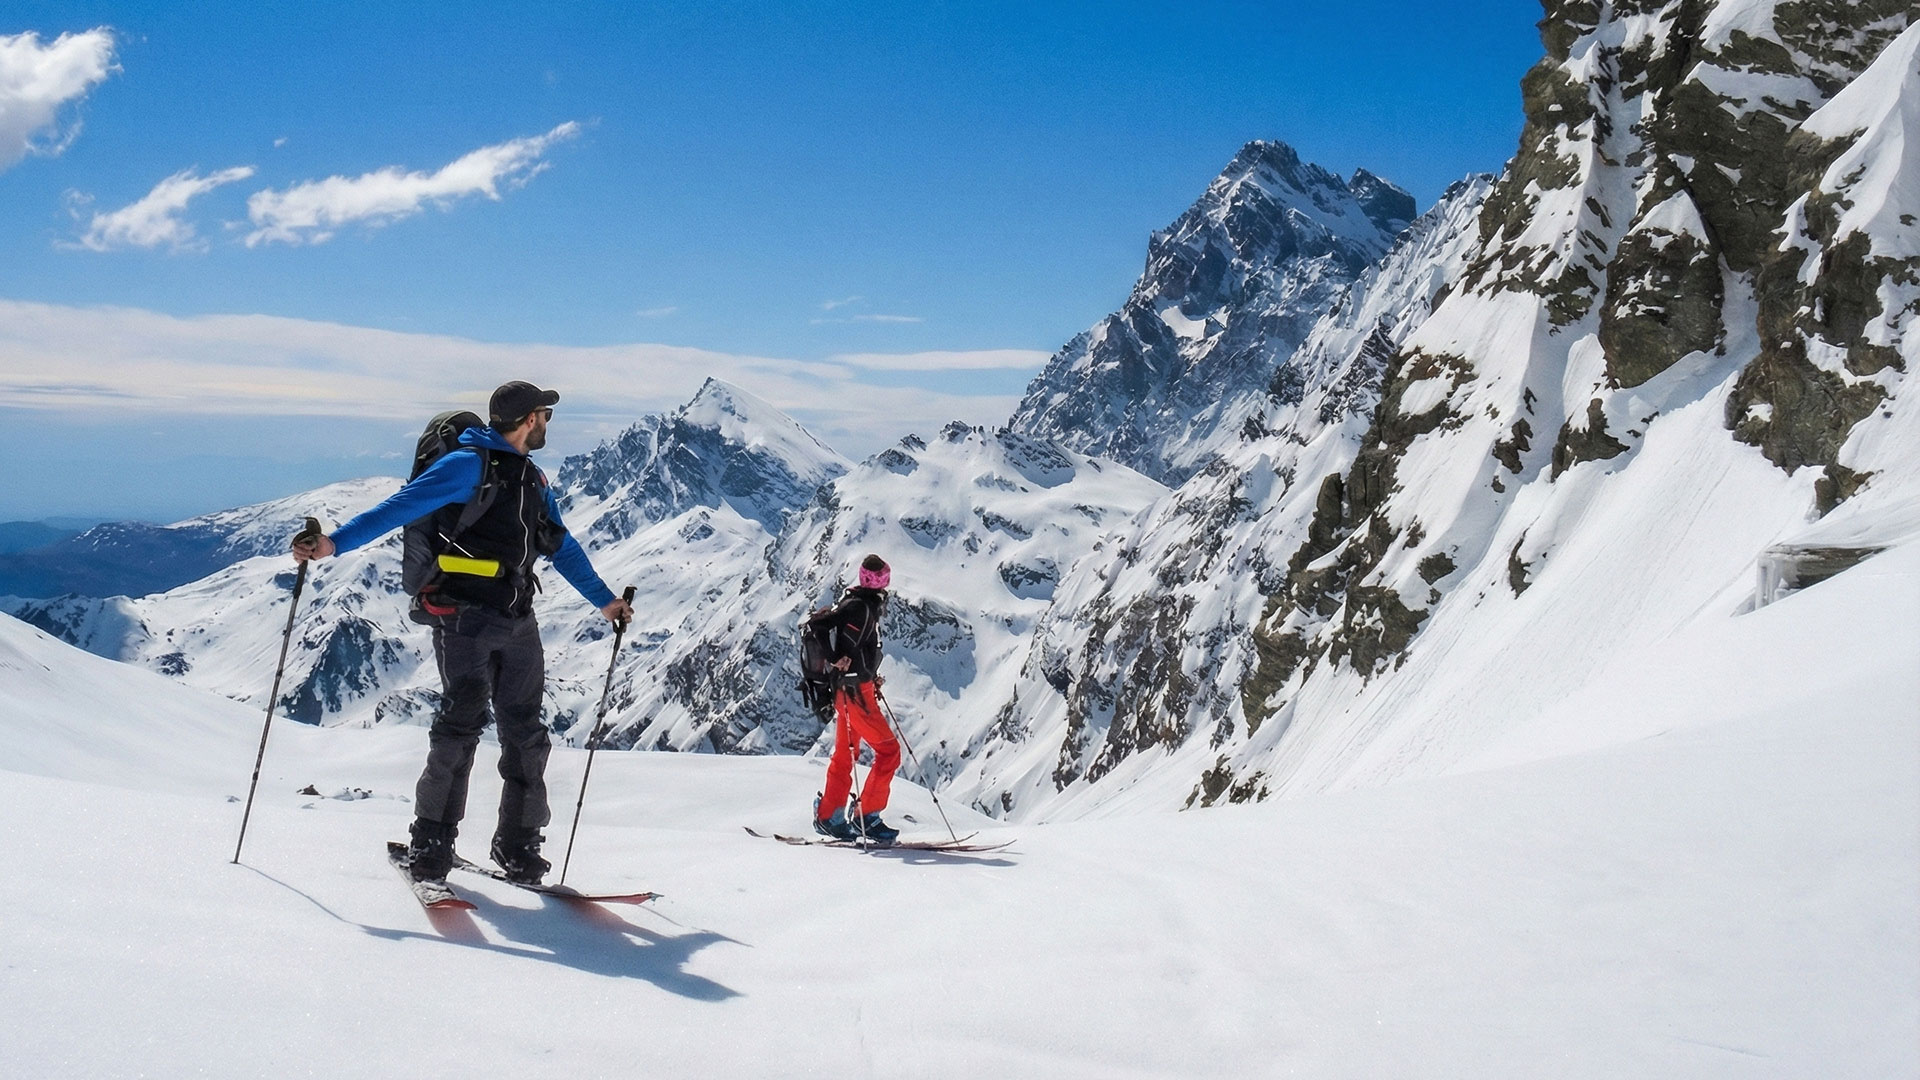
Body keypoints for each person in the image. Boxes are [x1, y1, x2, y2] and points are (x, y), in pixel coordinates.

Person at [291, 380, 632, 884]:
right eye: (545, 414)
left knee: (526, 734)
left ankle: (517, 843)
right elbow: (398, 508)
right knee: (459, 728)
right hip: (462, 619)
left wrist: (606, 602)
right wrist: (332, 545)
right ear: (528, 419)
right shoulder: (467, 465)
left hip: (518, 619)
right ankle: (431, 841)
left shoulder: (533, 480)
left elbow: (562, 547)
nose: (547, 424)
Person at [813, 554, 901, 843]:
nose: (880, 584)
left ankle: (830, 816)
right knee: (889, 753)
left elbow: (856, 647)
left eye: (882, 577)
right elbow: (821, 628)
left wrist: (867, 674)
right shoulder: (861, 608)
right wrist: (839, 659)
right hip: (855, 697)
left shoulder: (857, 605)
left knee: (844, 755)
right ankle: (868, 816)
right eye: (878, 578)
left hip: (849, 691)